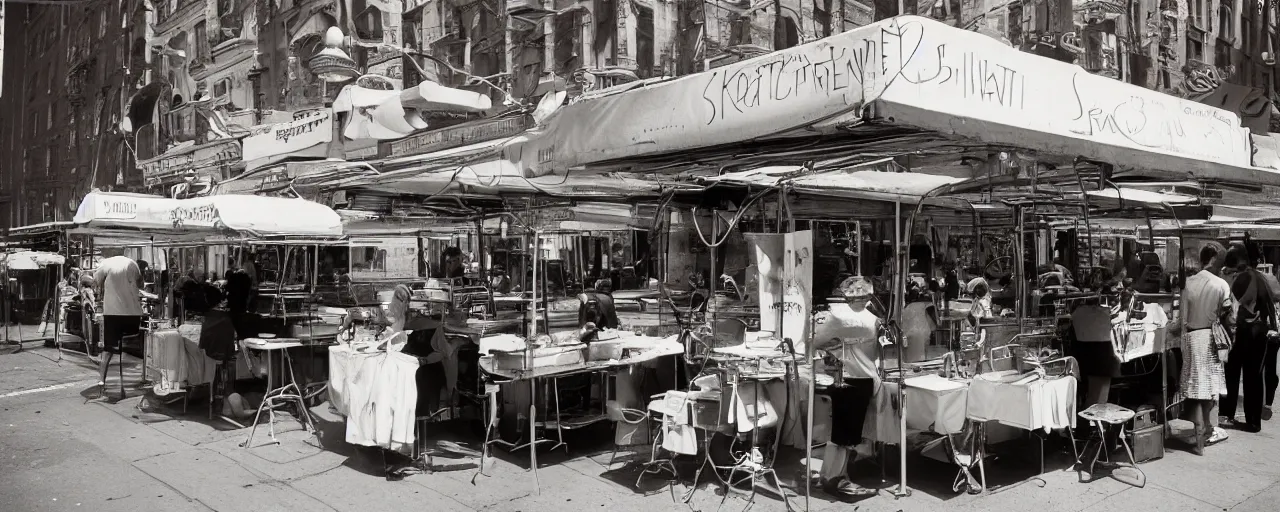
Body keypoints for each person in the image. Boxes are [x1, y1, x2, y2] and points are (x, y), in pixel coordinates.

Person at [812, 276, 881, 500]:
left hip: (846, 377)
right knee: (847, 432)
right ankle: (836, 478)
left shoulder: (840, 316)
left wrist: (837, 348)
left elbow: (816, 341)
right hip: (861, 377)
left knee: (841, 431)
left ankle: (830, 475)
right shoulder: (870, 319)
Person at [1222, 243, 1279, 433]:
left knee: (1232, 373)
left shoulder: (1242, 278)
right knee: (1253, 377)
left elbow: (1231, 306)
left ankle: (1227, 414)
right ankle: (1253, 421)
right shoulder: (1261, 277)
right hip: (1261, 333)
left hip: (1243, 332)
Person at [1181, 245, 1233, 452]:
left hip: (1192, 338)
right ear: (1212, 259)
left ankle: (1200, 434)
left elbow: (1182, 317)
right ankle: (1205, 432)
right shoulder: (1221, 284)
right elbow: (1229, 313)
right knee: (1210, 389)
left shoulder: (1188, 283)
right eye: (1220, 259)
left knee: (1194, 389)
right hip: (1211, 338)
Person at [93, 255, 144, 395]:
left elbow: (96, 282)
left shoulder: (105, 264)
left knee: (109, 349)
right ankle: (135, 379)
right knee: (133, 347)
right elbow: (141, 284)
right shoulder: (133, 264)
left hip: (113, 313)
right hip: (133, 312)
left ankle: (102, 380)